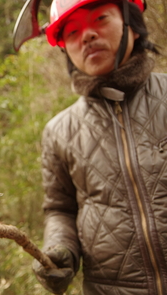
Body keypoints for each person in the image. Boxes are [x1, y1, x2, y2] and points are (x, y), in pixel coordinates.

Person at [23, 0, 167, 294]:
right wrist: (59, 247)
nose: (87, 36)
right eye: (72, 32)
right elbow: (60, 208)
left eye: (100, 18)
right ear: (65, 50)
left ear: (133, 25)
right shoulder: (59, 132)